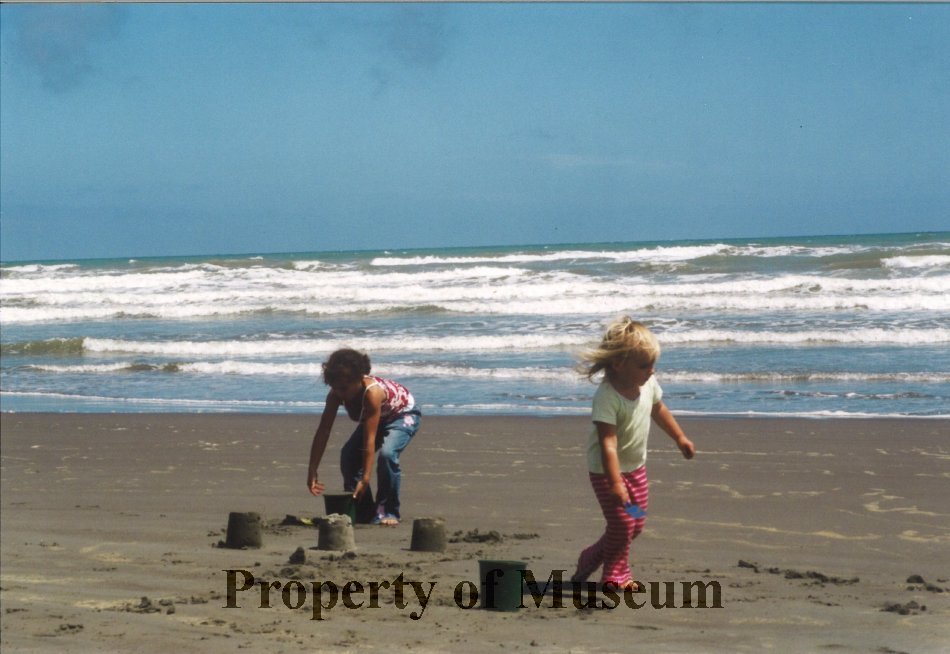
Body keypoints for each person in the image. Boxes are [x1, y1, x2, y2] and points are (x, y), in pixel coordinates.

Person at [572, 316, 695, 591]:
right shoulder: (607, 397)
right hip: (607, 472)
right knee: (622, 524)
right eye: (643, 366)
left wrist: (680, 438)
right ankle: (616, 575)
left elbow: (659, 410)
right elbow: (608, 443)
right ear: (619, 364)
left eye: (653, 364)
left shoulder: (647, 384)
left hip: (636, 469)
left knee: (636, 522)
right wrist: (615, 482)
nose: (651, 371)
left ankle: (590, 556)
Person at [307, 348, 421, 526]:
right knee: (348, 455)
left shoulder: (372, 393)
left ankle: (388, 511)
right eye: (335, 388)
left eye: (344, 388)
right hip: (376, 418)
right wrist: (312, 469)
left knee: (387, 455)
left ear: (358, 379)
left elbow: (369, 440)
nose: (340, 393)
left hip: (402, 415)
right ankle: (363, 510)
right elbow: (324, 430)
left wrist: (365, 478)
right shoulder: (336, 395)